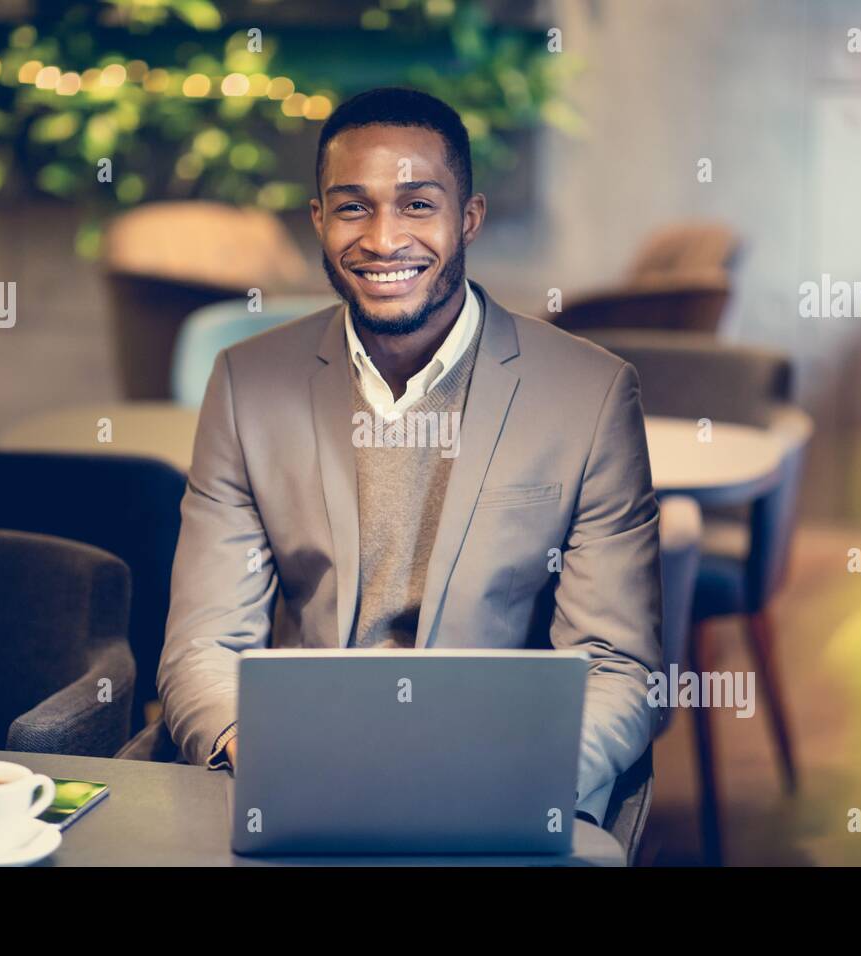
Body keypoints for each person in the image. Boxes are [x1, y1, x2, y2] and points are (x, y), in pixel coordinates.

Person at [158, 87, 662, 827]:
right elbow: (206, 642)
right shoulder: (246, 385)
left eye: (418, 204)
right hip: (301, 777)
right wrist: (255, 751)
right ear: (320, 220)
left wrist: (522, 783)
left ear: (469, 218)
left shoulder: (589, 396)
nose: (384, 238)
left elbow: (618, 667)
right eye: (354, 206)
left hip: (499, 778)